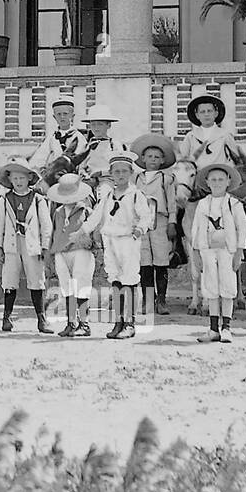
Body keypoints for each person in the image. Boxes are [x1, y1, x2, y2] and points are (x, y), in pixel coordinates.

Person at [84, 152, 151, 340]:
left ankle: (130, 323)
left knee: (129, 279)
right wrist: (82, 230)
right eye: (116, 172)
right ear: (111, 174)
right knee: (115, 279)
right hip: (110, 239)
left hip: (128, 240)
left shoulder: (136, 195)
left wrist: (139, 229)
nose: (120, 175)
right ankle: (118, 321)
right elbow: (96, 216)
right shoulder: (107, 195)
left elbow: (146, 216)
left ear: (130, 173)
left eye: (124, 171)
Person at [191, 161, 246, 344]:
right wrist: (196, 253)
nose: (217, 183)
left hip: (227, 251)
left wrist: (239, 251)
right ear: (207, 182)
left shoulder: (234, 204)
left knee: (227, 287)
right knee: (211, 288)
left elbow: (243, 229)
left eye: (221, 179)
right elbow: (196, 230)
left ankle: (226, 328)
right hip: (208, 251)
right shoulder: (202, 204)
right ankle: (213, 328)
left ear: (228, 181)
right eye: (213, 180)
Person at [0, 158, 53, 334]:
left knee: (36, 279)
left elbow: (46, 225)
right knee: (10, 280)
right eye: (15, 179)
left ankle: (41, 319)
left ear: (29, 178)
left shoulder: (38, 199)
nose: (18, 182)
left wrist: (45, 246)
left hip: (32, 245)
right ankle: (7, 318)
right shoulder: (6, 199)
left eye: (22, 178)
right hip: (12, 244)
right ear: (10, 180)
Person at [45, 173, 98, 338]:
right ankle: (71, 323)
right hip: (61, 251)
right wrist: (50, 250)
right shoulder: (58, 212)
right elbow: (53, 231)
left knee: (81, 284)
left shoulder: (86, 210)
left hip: (79, 250)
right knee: (66, 286)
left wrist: (92, 243)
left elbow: (93, 231)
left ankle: (84, 323)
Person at [131, 133, 178, 317]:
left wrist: (172, 222)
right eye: (149, 156)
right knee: (145, 262)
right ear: (142, 158)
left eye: (157, 157)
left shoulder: (167, 179)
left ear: (163, 160)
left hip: (160, 221)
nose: (153, 160)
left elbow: (172, 202)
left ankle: (162, 299)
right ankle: (148, 299)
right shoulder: (135, 178)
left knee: (161, 260)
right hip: (141, 222)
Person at [27, 97, 88, 180]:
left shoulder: (79, 137)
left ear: (72, 116)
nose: (62, 117)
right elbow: (40, 156)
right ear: (54, 117)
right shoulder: (52, 137)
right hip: (53, 175)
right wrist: (37, 169)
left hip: (71, 176)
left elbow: (82, 160)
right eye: (59, 114)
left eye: (65, 114)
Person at [78, 104, 129, 191]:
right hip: (89, 179)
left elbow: (119, 165)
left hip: (107, 179)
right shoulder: (87, 145)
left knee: (104, 192)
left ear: (108, 125)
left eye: (100, 124)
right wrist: (83, 173)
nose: (96, 128)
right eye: (93, 125)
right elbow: (81, 165)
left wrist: (101, 173)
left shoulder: (114, 144)